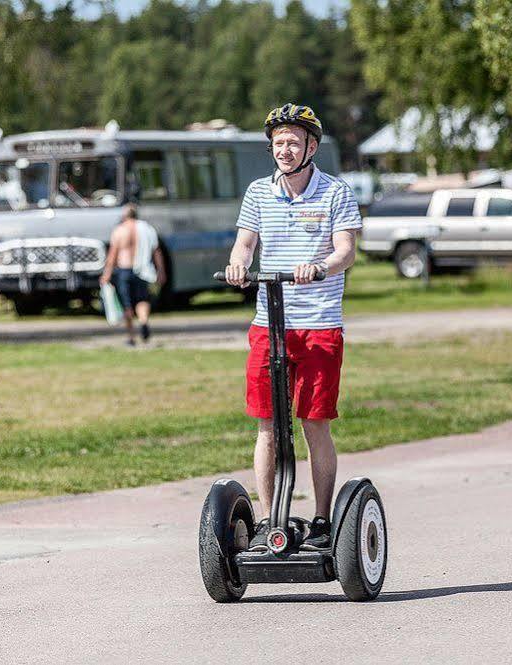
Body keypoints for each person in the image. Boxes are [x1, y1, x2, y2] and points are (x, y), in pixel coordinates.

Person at [223, 103, 362, 550]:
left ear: (311, 147)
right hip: (269, 324)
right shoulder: (258, 193)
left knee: (313, 422)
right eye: (278, 142)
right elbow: (245, 244)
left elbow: (347, 251)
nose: (284, 149)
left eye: (293, 142)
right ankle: (269, 521)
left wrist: (320, 267)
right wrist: (237, 265)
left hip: (318, 324)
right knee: (266, 422)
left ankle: (322, 521)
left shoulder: (335, 193)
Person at [100, 203, 166, 345]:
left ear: (124, 216)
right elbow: (156, 252)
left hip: (124, 270)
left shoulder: (119, 231)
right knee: (142, 300)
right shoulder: (147, 229)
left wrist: (107, 274)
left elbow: (112, 255)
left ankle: (131, 337)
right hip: (143, 270)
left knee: (127, 304)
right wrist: (161, 271)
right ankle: (143, 322)